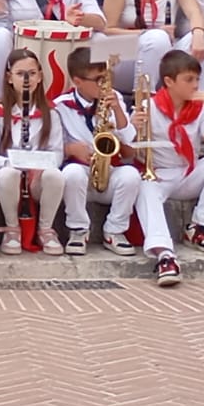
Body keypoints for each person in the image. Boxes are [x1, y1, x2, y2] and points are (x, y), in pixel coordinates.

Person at [130, 50, 204, 281]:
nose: (195, 85)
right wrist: (132, 127)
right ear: (169, 81)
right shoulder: (148, 106)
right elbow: (129, 151)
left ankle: (200, 226)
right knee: (144, 188)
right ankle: (165, 255)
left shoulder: (200, 109)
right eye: (189, 80)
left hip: (189, 172)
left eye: (197, 79)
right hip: (158, 173)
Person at [50, 48, 140, 256]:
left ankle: (115, 230)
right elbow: (51, 147)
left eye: (105, 78)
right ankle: (78, 229)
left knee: (131, 176)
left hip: (110, 171)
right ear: (77, 81)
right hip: (81, 174)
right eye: (98, 80)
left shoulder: (114, 97)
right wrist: (69, 149)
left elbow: (129, 140)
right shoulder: (60, 106)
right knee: (71, 173)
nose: (103, 85)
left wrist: (117, 110)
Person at [0, 50, 66, 255]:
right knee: (7, 174)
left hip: (36, 180)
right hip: (7, 182)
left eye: (31, 73)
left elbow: (57, 153)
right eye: (20, 74)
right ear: (9, 77)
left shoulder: (51, 112)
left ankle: (45, 229)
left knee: (55, 175)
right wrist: (10, 163)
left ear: (39, 76)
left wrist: (38, 164)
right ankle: (12, 228)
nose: (27, 79)